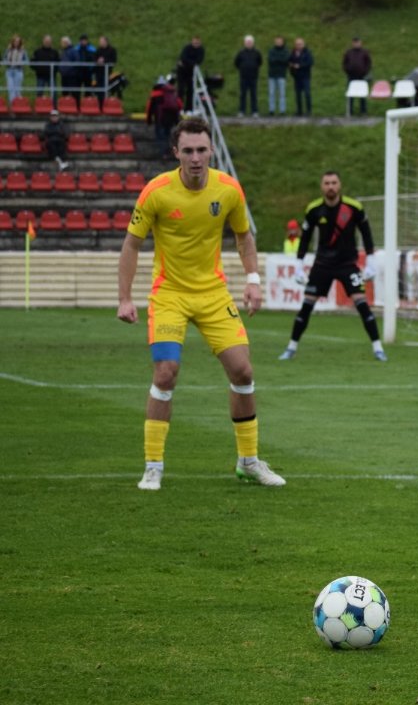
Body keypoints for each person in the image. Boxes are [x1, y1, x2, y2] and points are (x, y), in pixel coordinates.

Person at [117, 117, 285, 492]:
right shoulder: (156, 191)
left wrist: (253, 280)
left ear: (211, 151)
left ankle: (249, 462)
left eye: (202, 150)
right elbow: (132, 244)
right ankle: (153, 466)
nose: (196, 158)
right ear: (175, 152)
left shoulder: (228, 189)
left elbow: (244, 236)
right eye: (188, 151)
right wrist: (124, 298)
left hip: (213, 294)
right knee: (166, 373)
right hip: (170, 295)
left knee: (242, 371)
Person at [280, 170, 386, 362]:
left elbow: (366, 233)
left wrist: (371, 260)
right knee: (306, 306)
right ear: (322, 187)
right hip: (323, 264)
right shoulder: (314, 209)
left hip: (348, 264)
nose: (331, 187)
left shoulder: (353, 207)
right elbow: (305, 239)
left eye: (334, 183)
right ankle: (291, 348)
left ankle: (378, 349)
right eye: (327, 183)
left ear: (340, 185)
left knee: (362, 304)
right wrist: (299, 265)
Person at [146, 76, 183, 160]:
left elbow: (149, 108)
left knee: (160, 137)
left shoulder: (155, 94)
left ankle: (164, 153)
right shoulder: (171, 93)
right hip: (171, 119)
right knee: (167, 135)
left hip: (160, 119)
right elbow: (180, 105)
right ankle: (169, 151)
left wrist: (149, 120)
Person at [342, 36, 372, 116]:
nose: (356, 44)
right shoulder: (349, 52)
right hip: (351, 76)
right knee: (350, 94)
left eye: (358, 42)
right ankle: (350, 110)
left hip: (362, 76)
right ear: (353, 43)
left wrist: (365, 71)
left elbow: (368, 63)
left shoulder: (364, 52)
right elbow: (344, 63)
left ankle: (363, 111)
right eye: (355, 42)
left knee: (362, 94)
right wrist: (348, 70)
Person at [234, 35, 262, 117]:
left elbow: (260, 62)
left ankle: (254, 111)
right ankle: (242, 111)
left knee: (254, 94)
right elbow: (236, 62)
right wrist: (242, 68)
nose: (249, 44)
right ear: (244, 43)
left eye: (250, 42)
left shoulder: (257, 53)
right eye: (247, 42)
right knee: (243, 94)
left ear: (253, 43)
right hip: (243, 77)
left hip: (253, 77)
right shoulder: (241, 53)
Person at [177, 36, 205, 113]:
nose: (196, 44)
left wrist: (188, 63)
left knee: (191, 90)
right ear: (192, 42)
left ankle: (189, 108)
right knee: (181, 89)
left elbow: (199, 60)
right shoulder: (187, 48)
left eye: (197, 43)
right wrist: (192, 63)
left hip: (191, 72)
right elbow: (183, 57)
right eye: (195, 42)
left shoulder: (201, 50)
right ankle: (179, 107)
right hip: (182, 71)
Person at [289, 37, 314, 116]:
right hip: (297, 76)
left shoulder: (307, 52)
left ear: (303, 44)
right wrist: (292, 67)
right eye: (297, 44)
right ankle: (299, 111)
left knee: (307, 93)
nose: (298, 46)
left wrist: (300, 66)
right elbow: (290, 61)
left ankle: (309, 111)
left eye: (300, 44)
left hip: (305, 76)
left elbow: (310, 62)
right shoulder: (293, 52)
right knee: (298, 94)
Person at [266, 36, 289, 116]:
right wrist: (280, 60)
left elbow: (285, 61)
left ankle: (282, 110)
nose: (278, 43)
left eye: (280, 41)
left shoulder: (286, 51)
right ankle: (271, 110)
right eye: (277, 41)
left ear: (283, 42)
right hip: (272, 75)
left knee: (282, 94)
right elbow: (271, 60)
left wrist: (277, 60)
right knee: (271, 93)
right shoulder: (271, 51)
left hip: (281, 74)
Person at [4, 34, 28, 102]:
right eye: (15, 41)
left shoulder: (23, 50)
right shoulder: (8, 50)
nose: (16, 43)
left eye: (18, 41)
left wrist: (21, 63)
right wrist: (7, 62)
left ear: (20, 42)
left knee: (17, 89)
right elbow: (4, 58)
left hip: (18, 71)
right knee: (10, 88)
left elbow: (27, 60)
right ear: (12, 42)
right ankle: (12, 104)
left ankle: (17, 104)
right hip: (9, 71)